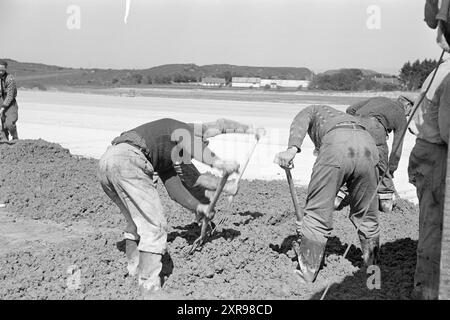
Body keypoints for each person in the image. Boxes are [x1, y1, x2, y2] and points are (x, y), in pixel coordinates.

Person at [98, 117, 257, 297]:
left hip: (107, 162)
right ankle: (149, 289)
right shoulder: (180, 128)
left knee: (135, 221)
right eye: (200, 144)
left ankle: (134, 266)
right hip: (129, 160)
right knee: (154, 225)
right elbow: (195, 143)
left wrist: (200, 207)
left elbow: (175, 191)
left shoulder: (167, 155)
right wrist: (218, 163)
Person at [274, 105, 380, 283]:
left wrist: (292, 149)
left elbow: (300, 121)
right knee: (368, 215)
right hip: (368, 146)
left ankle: (306, 273)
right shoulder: (346, 120)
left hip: (336, 146)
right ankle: (374, 272)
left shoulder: (313, 110)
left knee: (318, 213)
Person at [408, 58, 450, 300]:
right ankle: (427, 293)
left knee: (433, 227)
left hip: (428, 152)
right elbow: (448, 131)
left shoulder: (441, 70)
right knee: (436, 229)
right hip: (437, 155)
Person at [334, 96, 413, 213]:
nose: (407, 115)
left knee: (352, 163)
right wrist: (391, 169)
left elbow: (350, 109)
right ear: (407, 106)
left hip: (353, 127)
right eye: (409, 112)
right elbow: (396, 149)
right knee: (382, 166)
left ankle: (336, 200)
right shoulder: (401, 116)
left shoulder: (380, 99)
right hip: (375, 128)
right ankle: (386, 205)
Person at [0, 60, 19, 141]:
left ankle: (15, 138)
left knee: (9, 124)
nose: (0, 72)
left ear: (5, 69)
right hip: (0, 100)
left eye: (2, 70)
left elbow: (10, 95)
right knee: (3, 126)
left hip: (10, 103)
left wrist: (3, 107)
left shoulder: (10, 79)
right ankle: (5, 142)